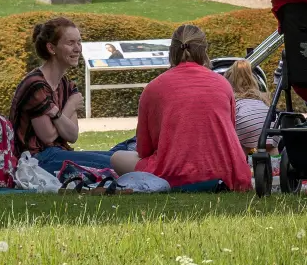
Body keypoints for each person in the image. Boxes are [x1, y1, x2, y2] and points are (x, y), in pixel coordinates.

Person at [106, 24, 252, 191]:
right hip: (223, 172)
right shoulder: (223, 84)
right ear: (204, 50)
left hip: (172, 173)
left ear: (172, 51)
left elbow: (144, 149)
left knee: (117, 157)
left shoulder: (154, 87)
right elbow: (229, 132)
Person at [10, 17, 117, 173]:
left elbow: (72, 135)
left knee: (120, 156)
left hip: (60, 153)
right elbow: (49, 137)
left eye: (79, 42)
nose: (77, 49)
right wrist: (70, 106)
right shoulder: (36, 85)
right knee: (115, 164)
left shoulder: (67, 85)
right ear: (52, 48)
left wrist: (55, 114)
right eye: (70, 43)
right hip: (37, 160)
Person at [227, 59, 273, 151]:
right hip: (269, 123)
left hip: (246, 122)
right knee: (271, 148)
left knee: (239, 150)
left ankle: (242, 163)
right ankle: (276, 163)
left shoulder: (233, 97)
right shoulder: (260, 95)